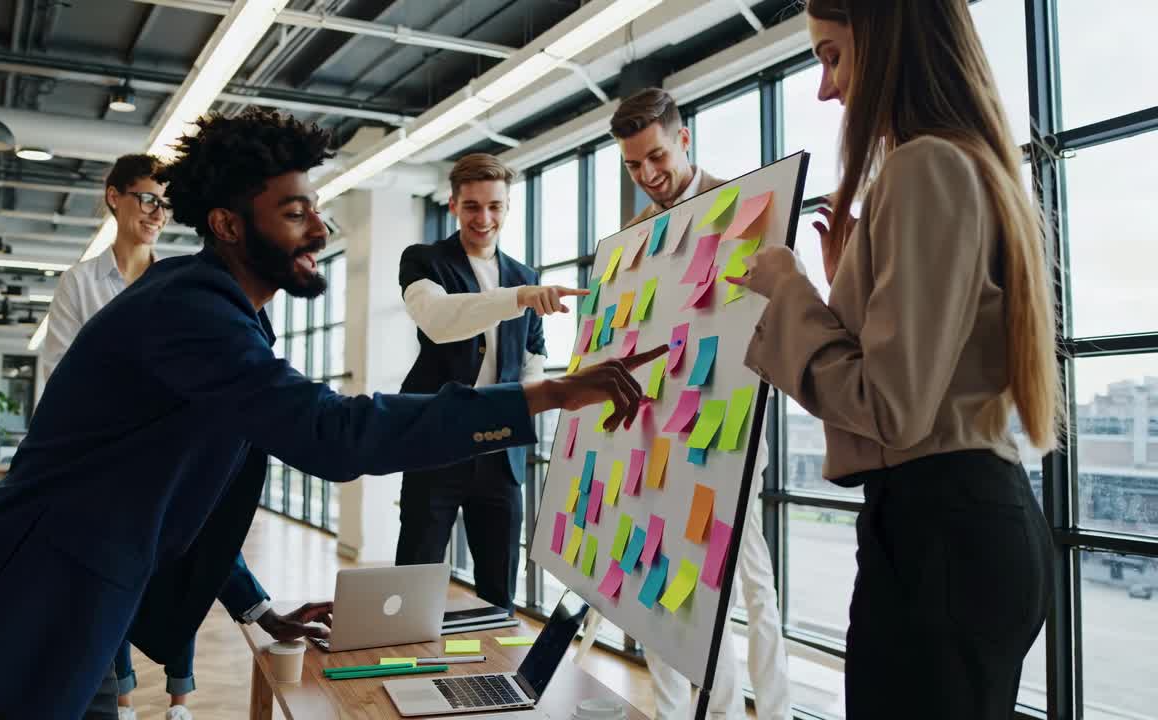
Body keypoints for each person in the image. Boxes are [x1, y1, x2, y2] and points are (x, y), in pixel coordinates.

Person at [0, 107, 666, 720]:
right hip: (14, 621)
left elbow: (179, 490)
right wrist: (548, 393)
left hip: (75, 610)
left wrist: (256, 605)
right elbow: (337, 434)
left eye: (318, 209)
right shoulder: (192, 309)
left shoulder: (224, 314)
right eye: (295, 212)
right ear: (229, 226)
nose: (320, 230)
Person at [730, 2, 1057, 718]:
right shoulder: (964, 162)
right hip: (967, 527)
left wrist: (790, 291)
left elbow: (889, 407)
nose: (827, 89)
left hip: (936, 537)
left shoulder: (923, 166)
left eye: (833, 56)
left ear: (887, 37)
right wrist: (850, 288)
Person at [40, 154, 329, 720]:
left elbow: (197, 518)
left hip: (117, 534)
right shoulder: (151, 298)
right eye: (145, 198)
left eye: (162, 203)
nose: (155, 212)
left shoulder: (182, 288)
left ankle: (173, 699)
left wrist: (260, 610)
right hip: (66, 560)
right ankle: (125, 698)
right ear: (114, 198)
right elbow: (61, 391)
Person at [576, 87, 794, 720]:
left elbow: (782, 310)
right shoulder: (635, 236)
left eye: (656, 156)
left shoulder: (751, 206)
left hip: (730, 426)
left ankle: (774, 712)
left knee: (750, 582)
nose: (648, 176)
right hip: (661, 432)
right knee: (661, 579)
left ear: (684, 139)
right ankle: (689, 713)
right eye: (632, 165)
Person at [396, 153, 586, 611]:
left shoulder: (525, 275)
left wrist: (530, 395)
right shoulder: (423, 260)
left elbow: (533, 355)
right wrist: (517, 298)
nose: (485, 218)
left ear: (507, 207)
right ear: (453, 206)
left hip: (501, 453)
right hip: (435, 443)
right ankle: (401, 670)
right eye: (473, 207)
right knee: (414, 583)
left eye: (495, 206)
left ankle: (492, 681)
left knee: (499, 592)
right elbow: (439, 321)